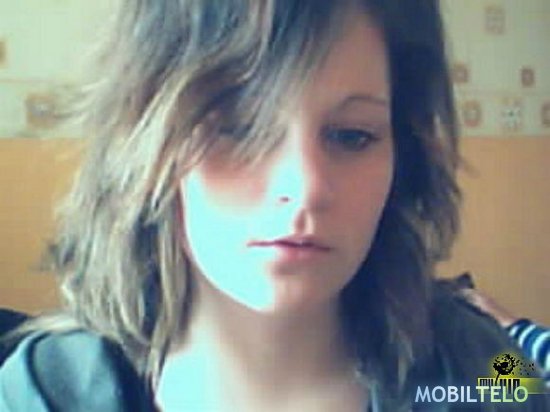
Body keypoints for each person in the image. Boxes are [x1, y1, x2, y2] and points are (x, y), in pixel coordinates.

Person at [0, 0, 548, 410]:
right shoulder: (42, 390)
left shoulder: (486, 362)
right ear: (148, 143)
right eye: (241, 129)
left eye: (353, 135)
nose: (305, 187)